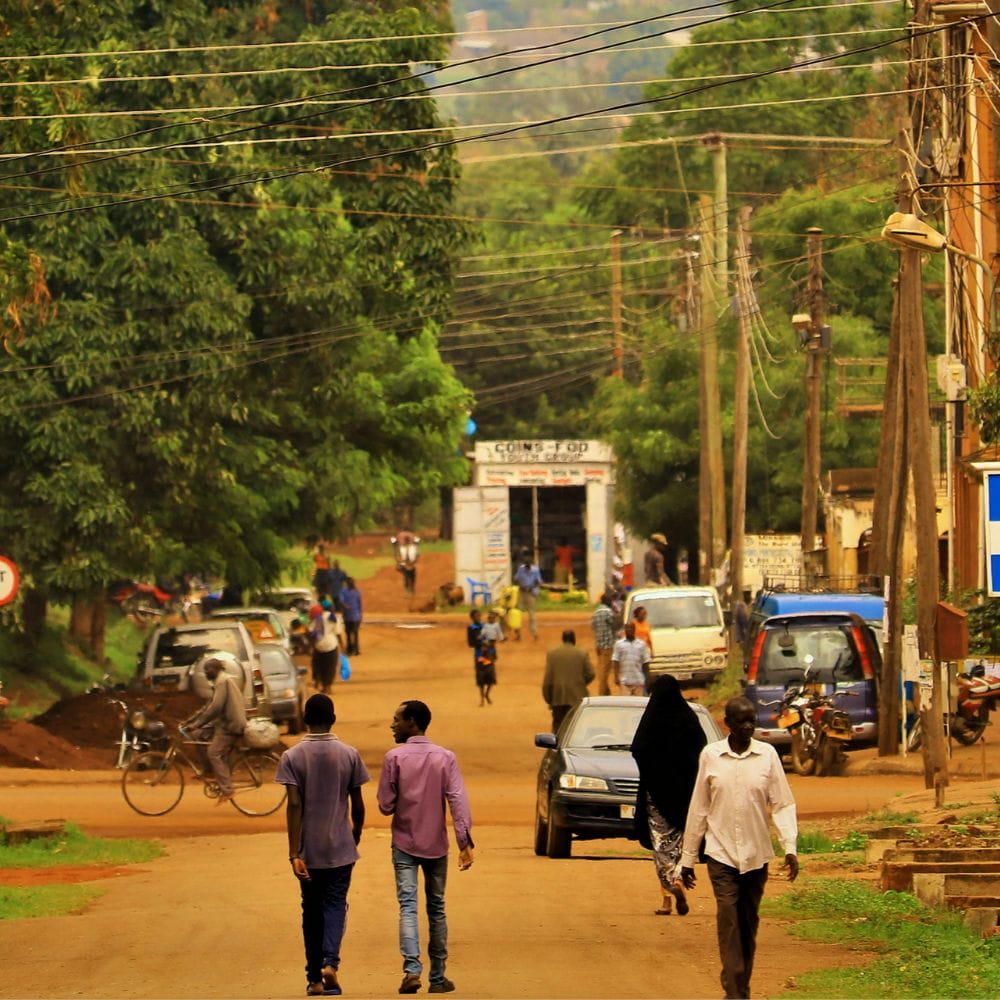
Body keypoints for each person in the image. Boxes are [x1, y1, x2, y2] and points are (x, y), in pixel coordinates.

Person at [680, 697, 798, 1000]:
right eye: (741, 722)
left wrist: (790, 848)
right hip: (721, 854)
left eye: (751, 721)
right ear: (727, 724)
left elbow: (782, 804)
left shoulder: (767, 755)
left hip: (757, 855)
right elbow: (699, 808)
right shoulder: (711, 756)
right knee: (728, 919)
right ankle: (733, 988)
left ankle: (741, 986)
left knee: (747, 924)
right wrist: (688, 859)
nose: (748, 727)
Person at [378, 700, 474, 995]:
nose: (392, 725)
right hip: (436, 845)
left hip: (405, 843)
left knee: (407, 906)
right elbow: (457, 799)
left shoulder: (393, 758)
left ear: (412, 722)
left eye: (396, 719)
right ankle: (438, 978)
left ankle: (412, 969)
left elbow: (385, 805)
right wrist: (464, 841)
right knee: (437, 908)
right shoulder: (445, 758)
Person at [277, 694, 368, 998]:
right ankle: (331, 963)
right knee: (335, 905)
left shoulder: (291, 757)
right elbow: (357, 804)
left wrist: (294, 853)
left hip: (308, 852)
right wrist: (355, 835)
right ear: (333, 719)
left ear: (304, 719)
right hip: (340, 848)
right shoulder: (349, 754)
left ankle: (314, 978)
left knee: (310, 910)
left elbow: (293, 805)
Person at [630, 676, 707, 917]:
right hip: (685, 796)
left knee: (662, 845)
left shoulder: (652, 719)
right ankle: (679, 882)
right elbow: (702, 748)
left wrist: (654, 770)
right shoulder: (688, 718)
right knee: (682, 844)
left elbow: (638, 749)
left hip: (657, 796)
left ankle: (668, 894)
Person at [181, 657, 246, 804]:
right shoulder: (219, 682)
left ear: (216, 670)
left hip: (230, 725)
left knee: (213, 752)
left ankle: (227, 790)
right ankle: (209, 770)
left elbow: (215, 708)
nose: (206, 673)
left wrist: (198, 723)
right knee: (198, 735)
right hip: (222, 723)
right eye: (205, 670)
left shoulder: (222, 682)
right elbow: (207, 707)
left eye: (209, 670)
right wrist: (190, 721)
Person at [542, 629, 595, 733]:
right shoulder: (582, 653)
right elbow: (591, 673)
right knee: (576, 726)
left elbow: (548, 678)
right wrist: (580, 683)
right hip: (577, 696)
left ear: (563, 639)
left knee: (558, 726)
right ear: (574, 640)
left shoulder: (552, 654)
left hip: (558, 697)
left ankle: (556, 747)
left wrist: (549, 698)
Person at [612, 621, 650, 696]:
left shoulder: (641, 644)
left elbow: (646, 663)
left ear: (634, 629)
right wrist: (616, 677)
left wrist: (647, 678)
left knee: (638, 705)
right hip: (624, 681)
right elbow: (615, 661)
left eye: (631, 628)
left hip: (638, 681)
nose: (629, 630)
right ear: (624, 630)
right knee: (625, 705)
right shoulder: (619, 644)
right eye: (627, 628)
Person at [310, 602, 340, 694]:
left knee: (320, 667)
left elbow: (311, 633)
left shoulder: (316, 619)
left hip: (319, 647)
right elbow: (337, 632)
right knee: (330, 668)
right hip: (331, 646)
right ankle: (328, 686)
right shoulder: (333, 618)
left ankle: (321, 683)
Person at [591, 592, 617, 696]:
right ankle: (601, 693)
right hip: (608, 645)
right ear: (608, 601)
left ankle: (607, 693)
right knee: (605, 672)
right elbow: (614, 625)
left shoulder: (596, 612)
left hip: (599, 645)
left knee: (602, 668)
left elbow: (593, 627)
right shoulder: (608, 612)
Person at [513, 551, 542, 641]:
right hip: (522, 592)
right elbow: (516, 579)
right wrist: (521, 585)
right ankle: (517, 634)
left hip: (531, 593)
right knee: (517, 614)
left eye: (528, 564)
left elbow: (539, 581)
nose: (527, 566)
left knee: (532, 614)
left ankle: (535, 633)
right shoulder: (521, 569)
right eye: (526, 564)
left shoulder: (535, 570)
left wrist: (530, 587)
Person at [339, 577, 362, 656]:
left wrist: (360, 614)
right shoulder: (352, 591)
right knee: (351, 634)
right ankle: (353, 649)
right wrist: (345, 606)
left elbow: (359, 603)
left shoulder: (355, 591)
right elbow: (341, 601)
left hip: (352, 616)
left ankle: (353, 650)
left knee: (352, 633)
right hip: (351, 616)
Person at [394, 530, 420, 595]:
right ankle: (407, 589)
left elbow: (417, 555)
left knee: (412, 578)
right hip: (406, 565)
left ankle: (411, 588)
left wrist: (413, 562)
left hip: (411, 565)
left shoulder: (412, 547)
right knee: (407, 577)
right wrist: (400, 562)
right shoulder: (403, 548)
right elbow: (398, 556)